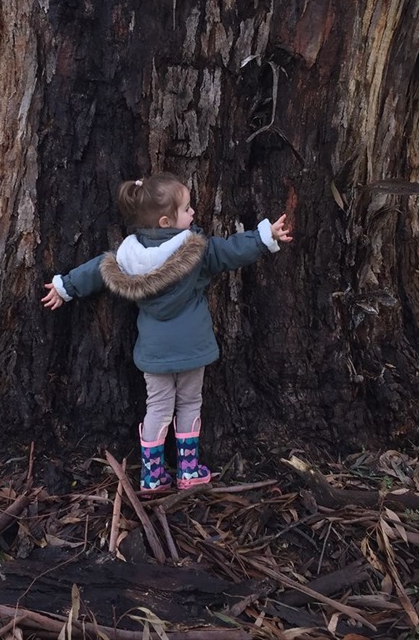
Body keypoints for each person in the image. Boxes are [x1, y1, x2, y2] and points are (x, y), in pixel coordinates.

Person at [42, 172, 292, 494]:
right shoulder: (196, 252)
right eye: (187, 209)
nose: (193, 213)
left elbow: (96, 270)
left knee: (158, 406)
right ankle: (188, 470)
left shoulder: (128, 258)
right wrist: (264, 237)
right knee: (189, 403)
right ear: (165, 221)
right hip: (192, 347)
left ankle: (152, 475)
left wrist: (65, 287)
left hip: (154, 351)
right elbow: (230, 251)